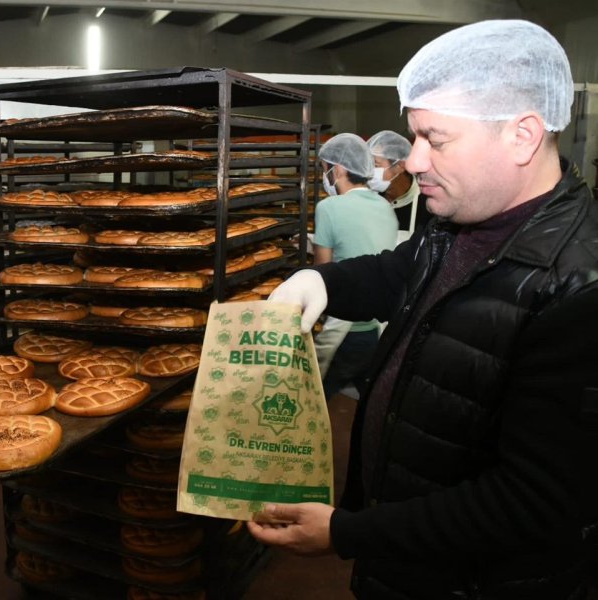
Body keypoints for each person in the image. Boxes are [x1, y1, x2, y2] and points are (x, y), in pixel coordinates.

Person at [251, 19, 598, 599]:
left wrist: (349, 532)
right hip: (404, 565)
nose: (412, 162)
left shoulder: (579, 288)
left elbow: (529, 501)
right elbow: (400, 271)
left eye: (434, 140)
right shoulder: (458, 221)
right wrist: (321, 280)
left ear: (522, 136)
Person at [311, 133, 397, 401]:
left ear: (338, 169)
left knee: (313, 399)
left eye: (325, 169)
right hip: (374, 328)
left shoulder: (328, 207)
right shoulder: (385, 206)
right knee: (372, 399)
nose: (324, 177)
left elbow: (323, 271)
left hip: (343, 330)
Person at [366, 129, 430, 241]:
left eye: (375, 165)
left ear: (400, 166)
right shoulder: (368, 201)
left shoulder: (426, 204)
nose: (368, 172)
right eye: (367, 165)